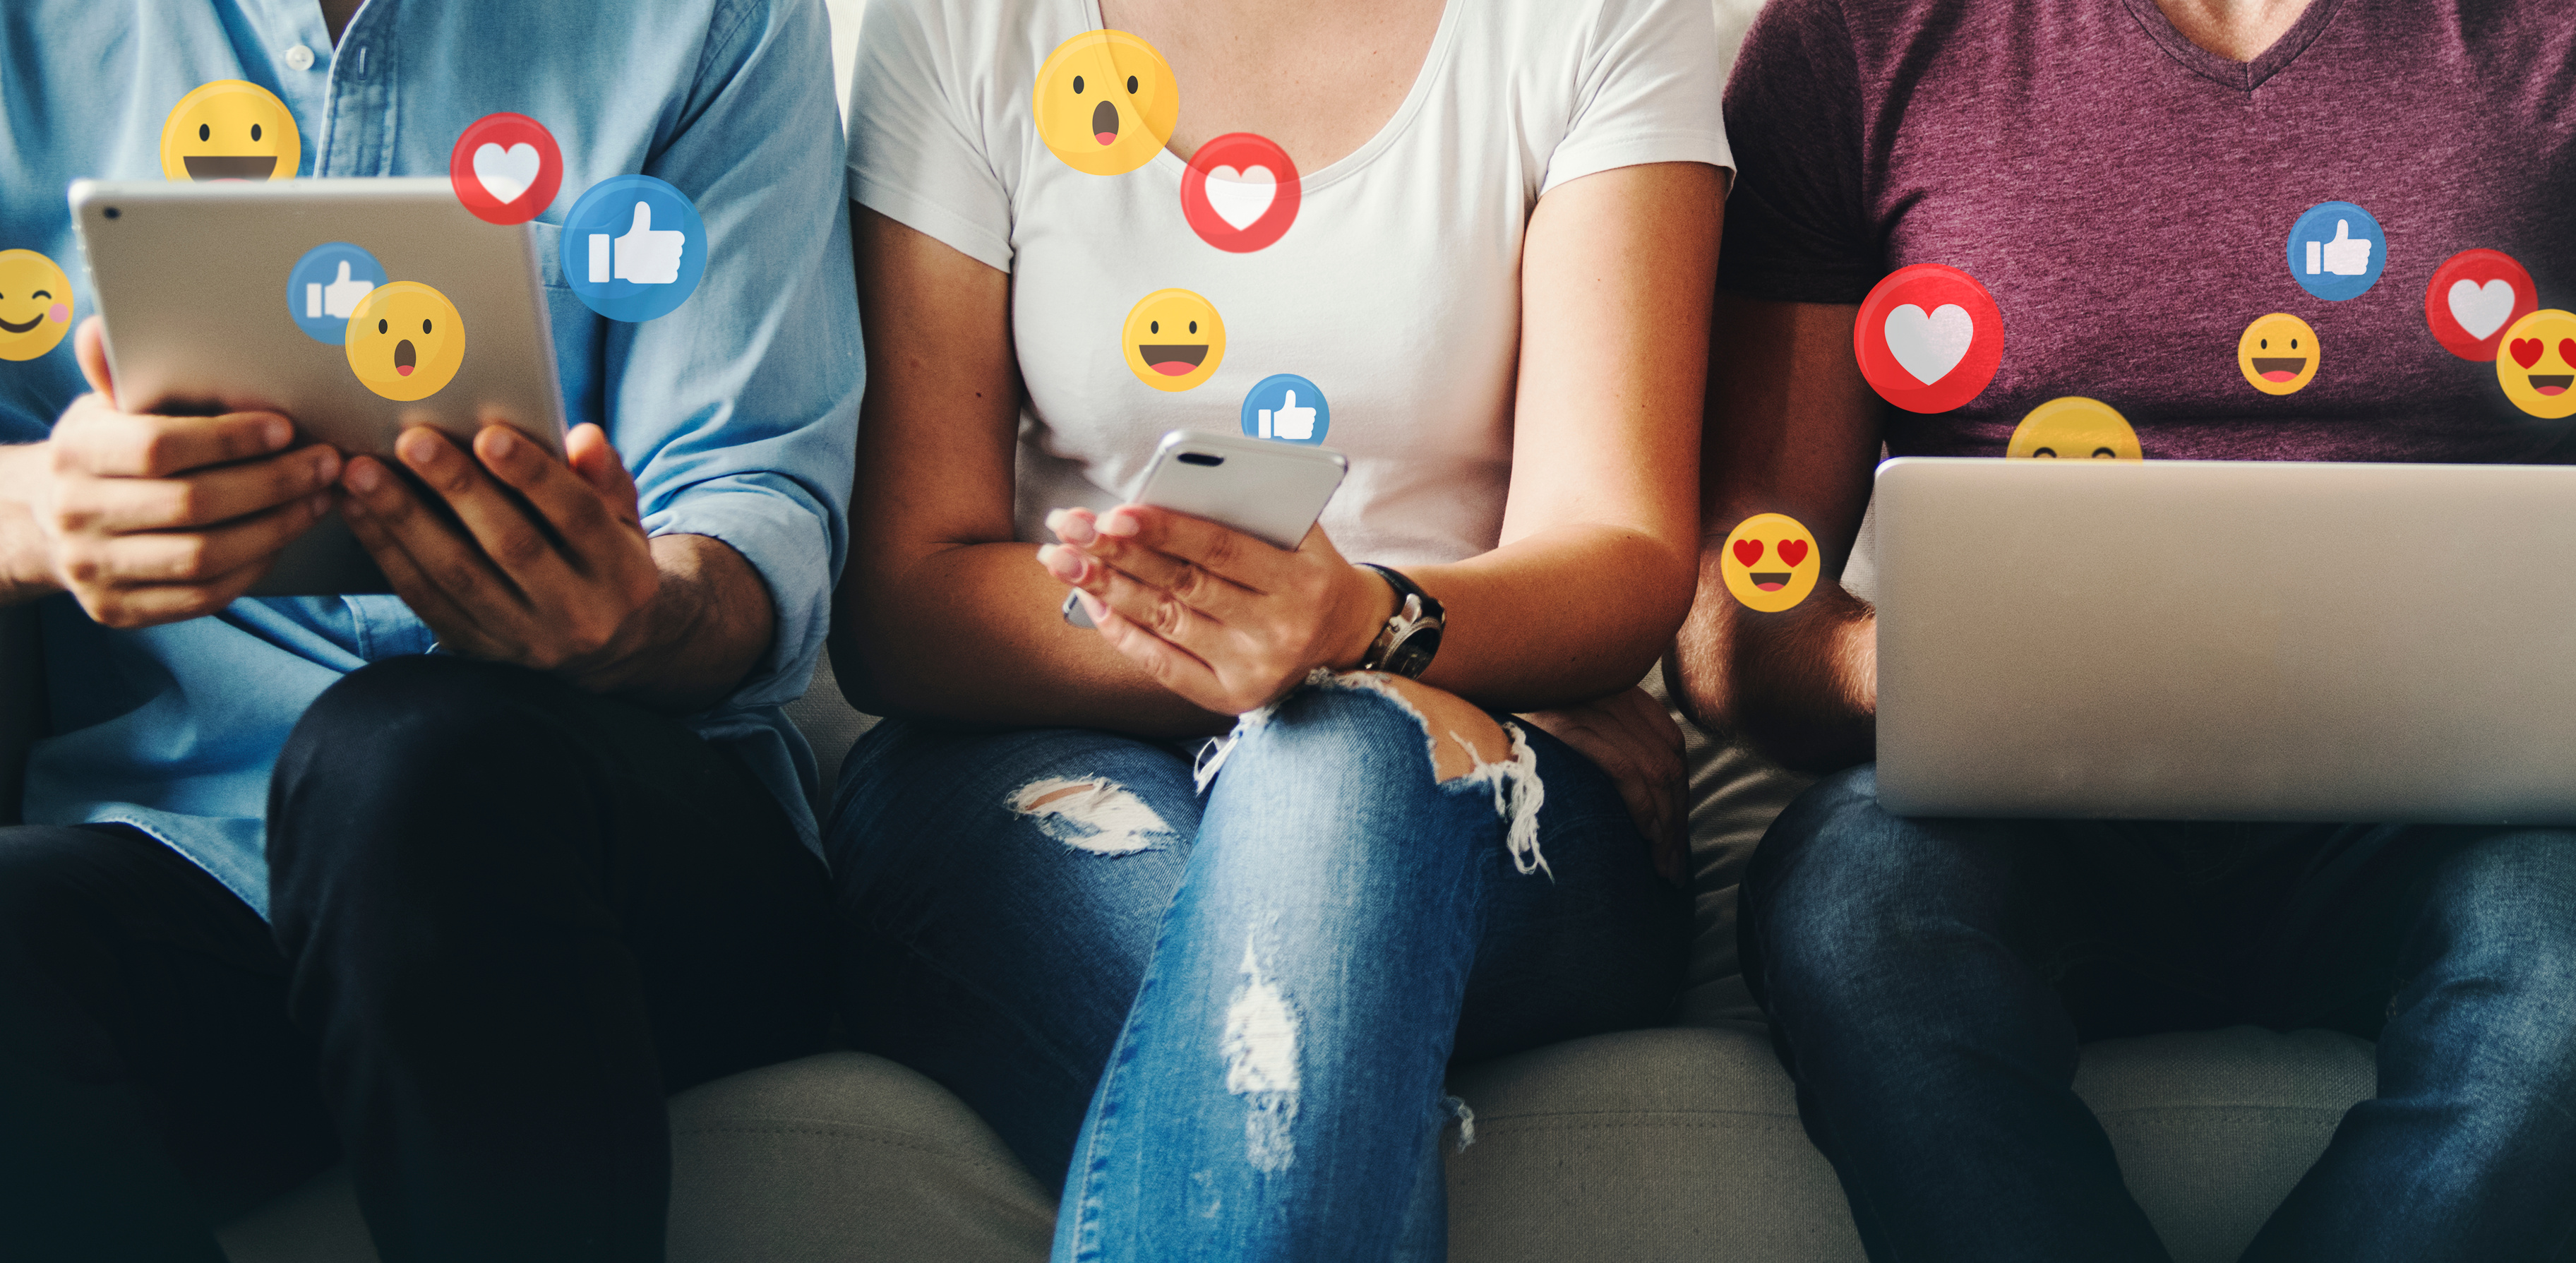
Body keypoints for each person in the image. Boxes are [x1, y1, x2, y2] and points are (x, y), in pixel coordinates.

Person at [1672, 0, 2576, 1259]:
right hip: (2022, 804)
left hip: (2450, 818)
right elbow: (1739, 615)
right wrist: (1934, 669)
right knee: (1857, 908)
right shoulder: (1857, 37)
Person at [829, 0, 1728, 1255]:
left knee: (1349, 765)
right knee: (1264, 985)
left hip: (1454, 740)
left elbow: (1621, 552)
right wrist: (1265, 650)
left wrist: (1376, 632)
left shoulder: (1600, 21)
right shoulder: (960, 22)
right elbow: (900, 608)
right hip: (1033, 741)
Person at [0, 1, 858, 1258]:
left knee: (407, 762)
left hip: (596, 866)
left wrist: (644, 613)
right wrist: (29, 516)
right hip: (189, 869)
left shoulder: (709, 20)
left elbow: (755, 490)